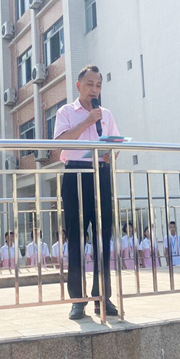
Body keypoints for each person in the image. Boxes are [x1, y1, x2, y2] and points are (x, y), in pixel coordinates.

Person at [54, 64, 121, 320]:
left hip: (101, 174)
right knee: (76, 239)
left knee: (104, 238)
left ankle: (103, 297)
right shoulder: (66, 112)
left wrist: (111, 153)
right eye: (90, 84)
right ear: (79, 85)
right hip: (75, 175)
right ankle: (78, 300)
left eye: (98, 85)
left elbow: (115, 145)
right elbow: (60, 142)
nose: (94, 89)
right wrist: (87, 121)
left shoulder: (107, 114)